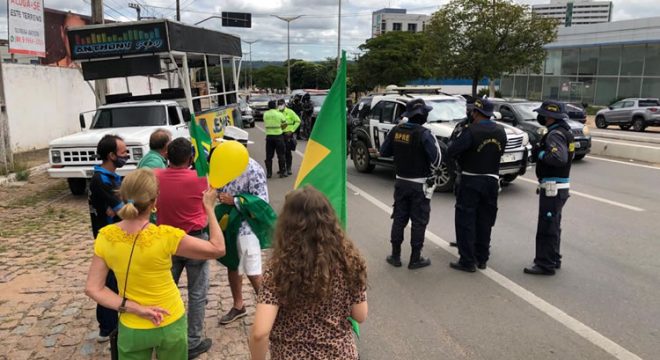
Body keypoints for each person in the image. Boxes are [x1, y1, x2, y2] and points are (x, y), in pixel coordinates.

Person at [85, 169, 225, 360]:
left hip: (133, 325)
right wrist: (209, 207)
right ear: (154, 201)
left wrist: (134, 308)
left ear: (123, 196)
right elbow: (218, 248)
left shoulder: (105, 236)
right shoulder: (166, 236)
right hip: (169, 319)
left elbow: (93, 288)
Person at [249, 186, 368, 360]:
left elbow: (260, 333)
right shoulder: (350, 260)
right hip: (340, 354)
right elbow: (360, 315)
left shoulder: (278, 269)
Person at [154, 138, 214, 358]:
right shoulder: (200, 179)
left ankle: (161, 336)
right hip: (195, 241)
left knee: (164, 291)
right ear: (191, 157)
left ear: (167, 156)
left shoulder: (156, 176)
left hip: (167, 242)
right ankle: (192, 341)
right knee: (197, 293)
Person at [446, 98, 507, 273]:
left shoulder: (470, 131)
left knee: (466, 220)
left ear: (476, 113)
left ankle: (467, 261)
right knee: (485, 220)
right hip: (492, 180)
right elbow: (500, 151)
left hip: (471, 179)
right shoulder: (500, 130)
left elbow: (452, 151)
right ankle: (482, 259)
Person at [380, 99, 441, 269]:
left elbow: (384, 152)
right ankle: (415, 258)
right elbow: (436, 160)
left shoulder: (396, 130)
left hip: (401, 182)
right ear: (423, 115)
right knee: (418, 221)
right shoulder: (425, 134)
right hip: (419, 185)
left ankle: (395, 256)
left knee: (399, 218)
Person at [216, 134, 270, 326]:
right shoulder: (225, 164)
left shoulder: (253, 169)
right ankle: (239, 306)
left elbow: (262, 202)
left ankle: (270, 311)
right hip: (229, 224)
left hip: (248, 227)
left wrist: (236, 200)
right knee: (233, 265)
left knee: (253, 270)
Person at [524, 101, 575, 276]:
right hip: (560, 185)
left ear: (550, 116)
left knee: (547, 226)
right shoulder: (565, 132)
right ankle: (554, 258)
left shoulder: (555, 135)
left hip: (553, 186)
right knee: (554, 224)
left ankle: (545, 264)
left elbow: (559, 158)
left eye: (543, 114)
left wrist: (540, 153)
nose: (541, 117)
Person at [88, 134, 129, 342]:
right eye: (123, 152)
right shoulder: (100, 180)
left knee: (117, 281)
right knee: (108, 283)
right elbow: (124, 210)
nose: (126, 155)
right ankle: (108, 328)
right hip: (108, 239)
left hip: (118, 236)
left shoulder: (113, 177)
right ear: (111, 155)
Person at [263, 100, 287, 178]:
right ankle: (282, 172)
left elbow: (265, 121)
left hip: (269, 137)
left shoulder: (265, 114)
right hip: (278, 136)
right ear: (275, 106)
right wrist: (280, 128)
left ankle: (269, 173)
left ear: (268, 106)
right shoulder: (279, 114)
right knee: (281, 155)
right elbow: (285, 124)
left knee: (269, 156)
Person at [278, 98, 301, 176]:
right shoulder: (276, 112)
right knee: (280, 152)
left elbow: (298, 121)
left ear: (285, 104)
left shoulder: (290, 112)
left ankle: (288, 168)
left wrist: (292, 130)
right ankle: (282, 168)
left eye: (281, 104)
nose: (280, 106)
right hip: (279, 134)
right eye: (279, 104)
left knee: (288, 152)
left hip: (288, 134)